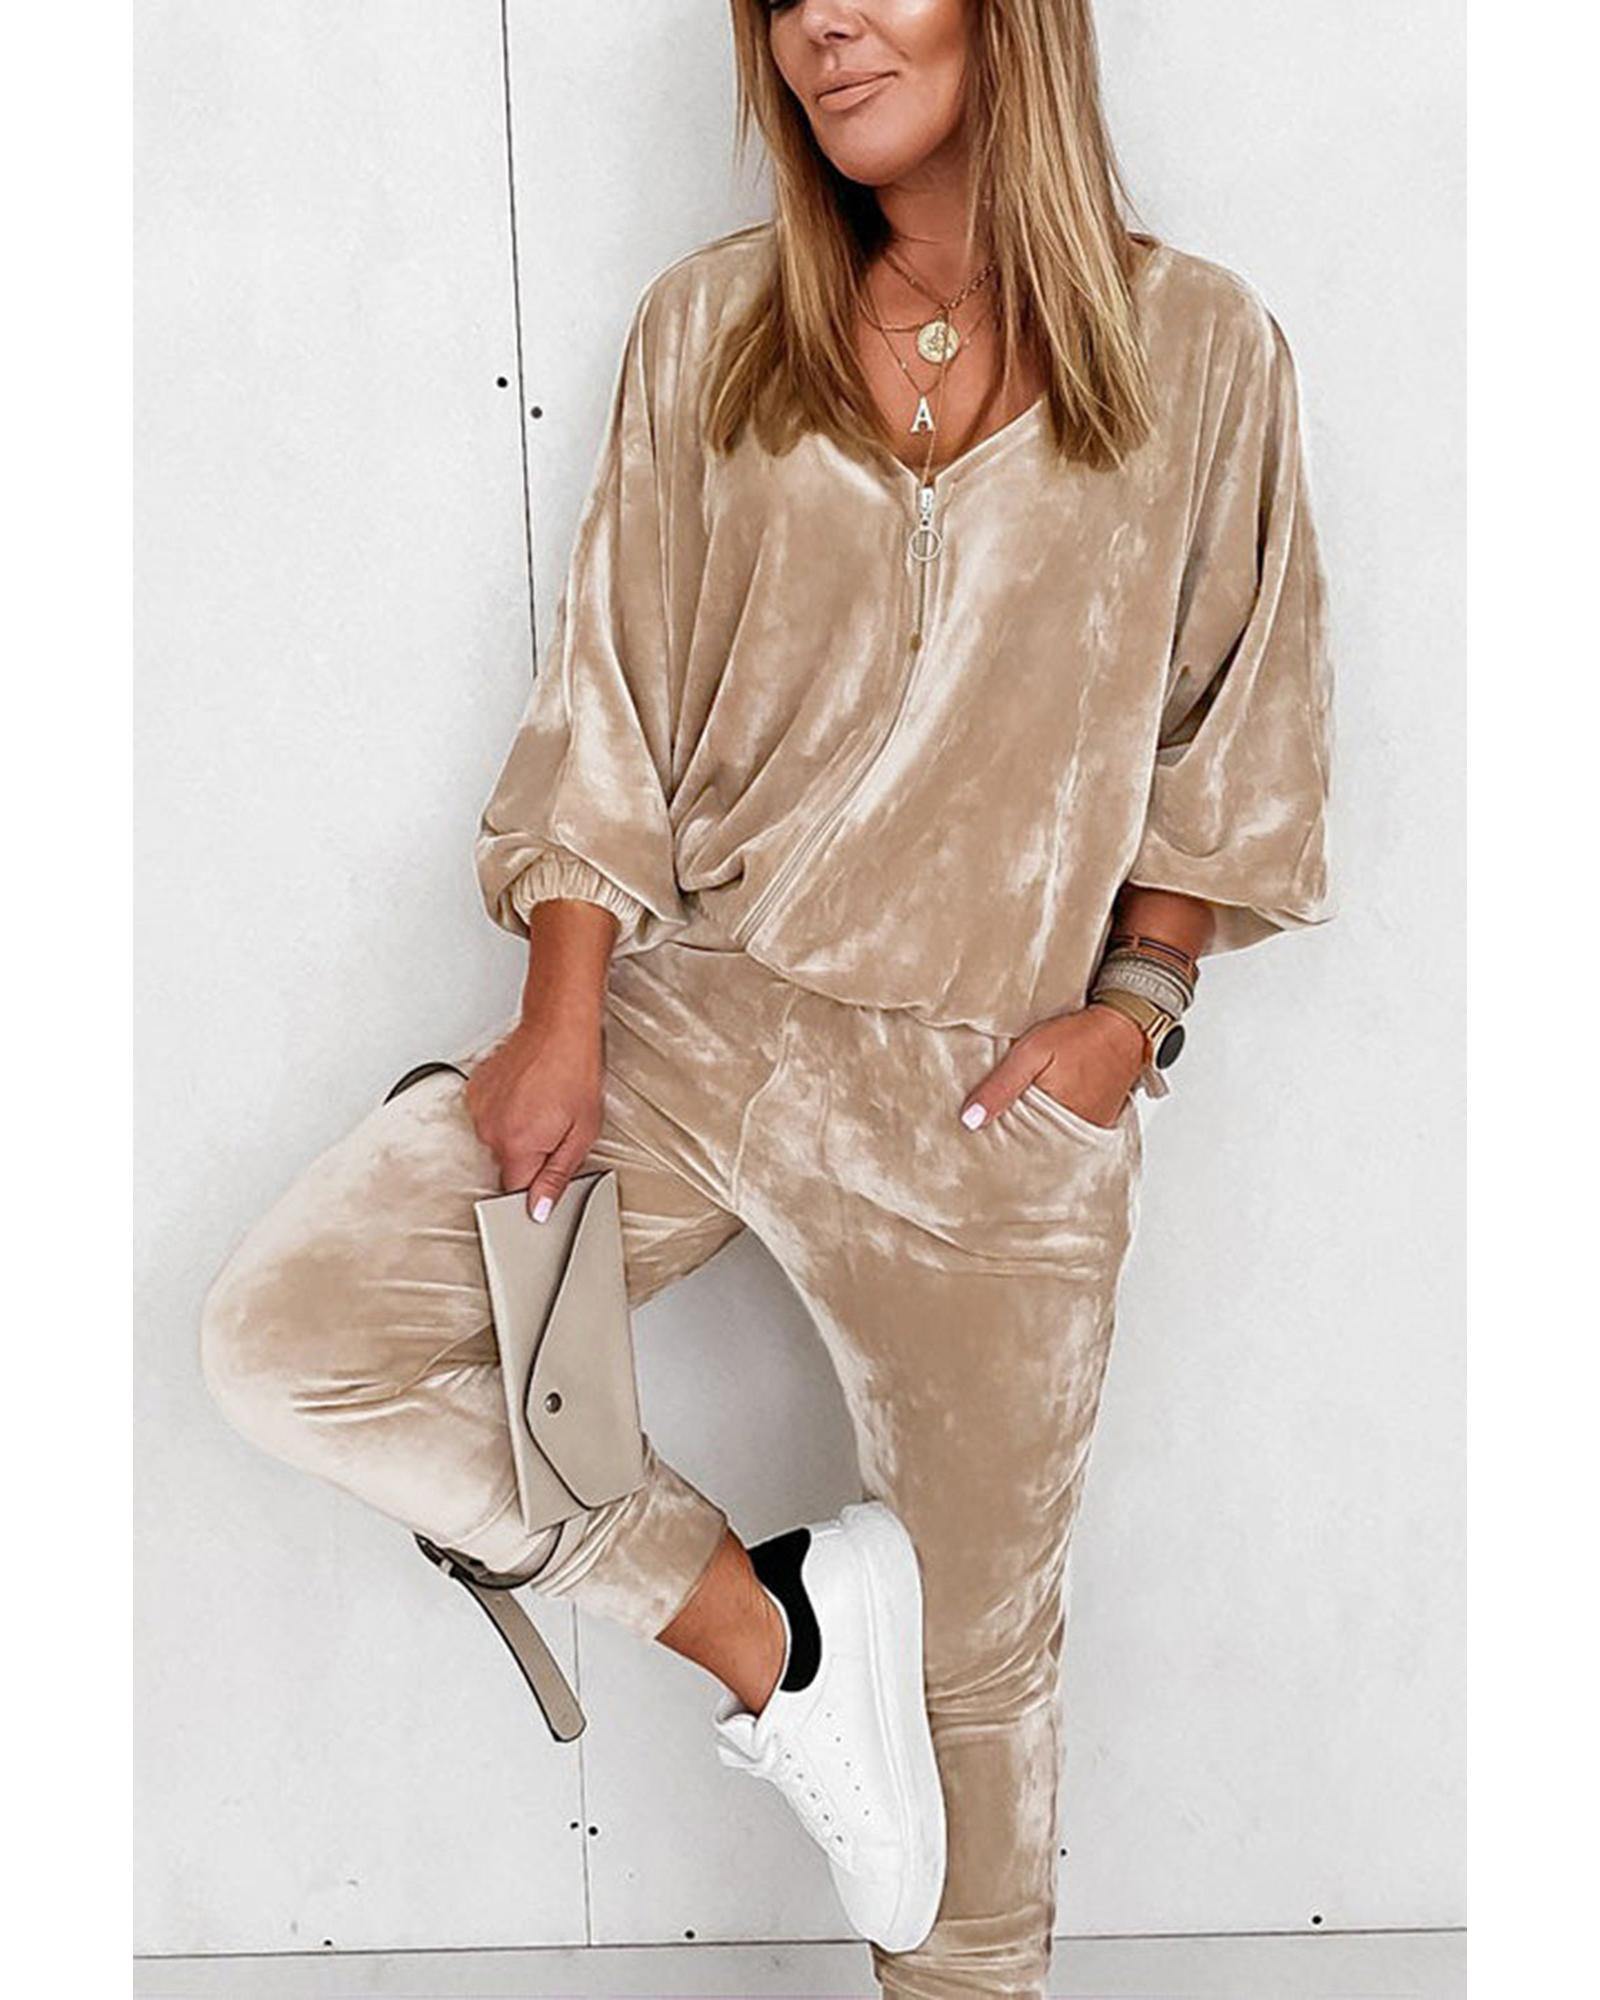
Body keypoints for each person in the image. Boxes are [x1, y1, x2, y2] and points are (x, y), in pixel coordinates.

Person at [198, 2, 1336, 1993]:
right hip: (697, 1018)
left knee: (981, 1677)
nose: (819, 24)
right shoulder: (712, 328)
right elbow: (609, 704)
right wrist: (562, 1012)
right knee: (296, 1334)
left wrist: (1131, 1009)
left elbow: (1232, 728)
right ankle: (777, 1636)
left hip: (990, 1087)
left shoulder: (1200, 344)